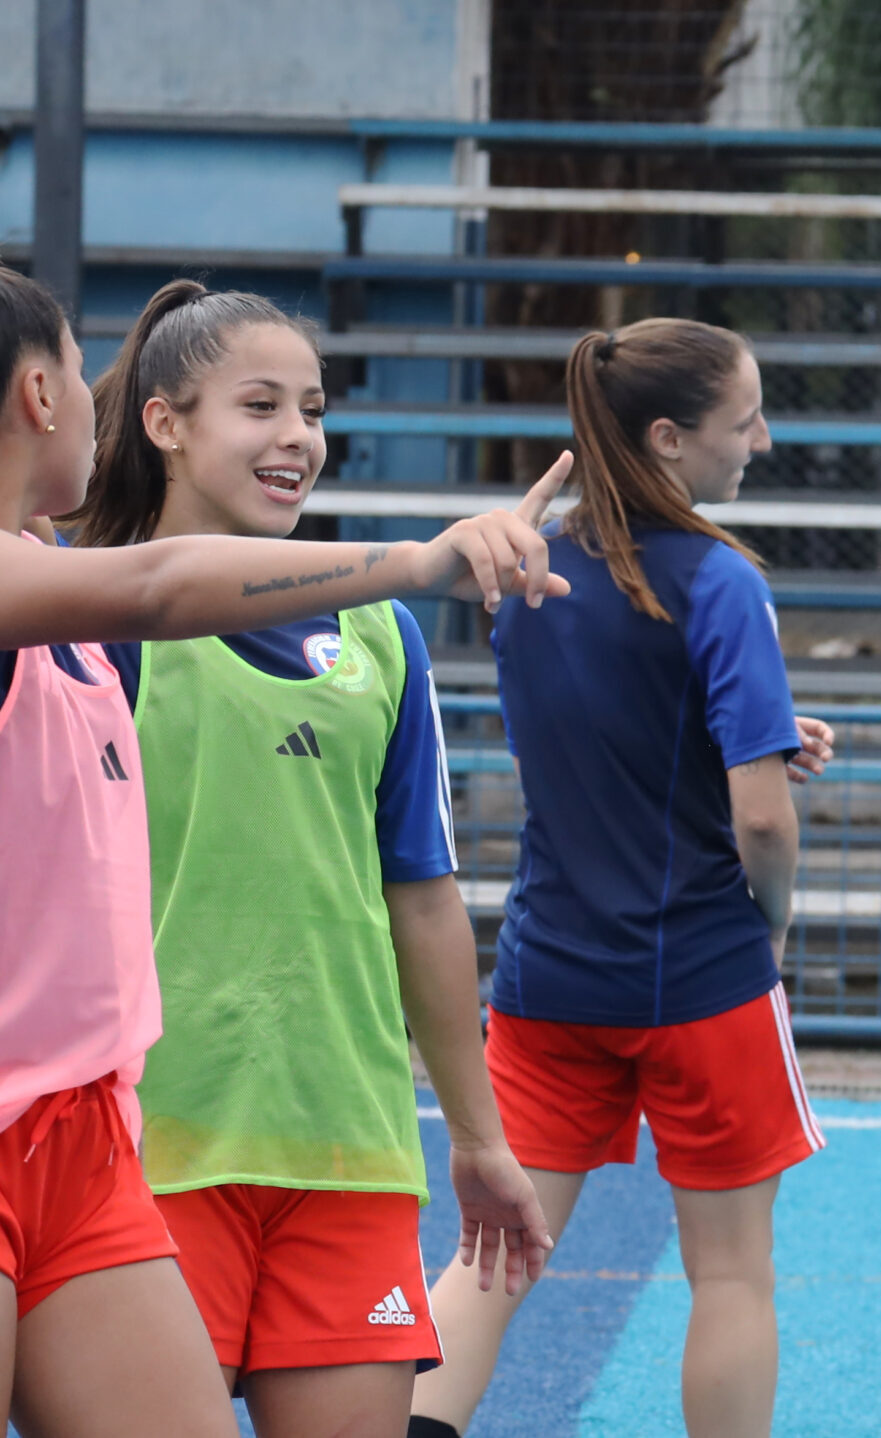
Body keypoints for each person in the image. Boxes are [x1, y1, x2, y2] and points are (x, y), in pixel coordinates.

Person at [0, 267, 562, 1436]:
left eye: (313, 408)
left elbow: (423, 898)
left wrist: (475, 1132)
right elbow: (157, 584)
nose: (298, 436)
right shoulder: (90, 611)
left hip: (259, 1135)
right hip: (164, 1134)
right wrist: (418, 557)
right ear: (48, 396)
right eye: (261, 406)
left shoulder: (370, 644)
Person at [409, 318, 833, 1438]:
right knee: (733, 1276)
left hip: (551, 974)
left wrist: (760, 731)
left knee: (490, 1258)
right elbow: (763, 823)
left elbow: (606, 730)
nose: (765, 440)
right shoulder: (720, 578)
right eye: (745, 420)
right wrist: (773, 928)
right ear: (668, 436)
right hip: (702, 973)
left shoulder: (528, 576)